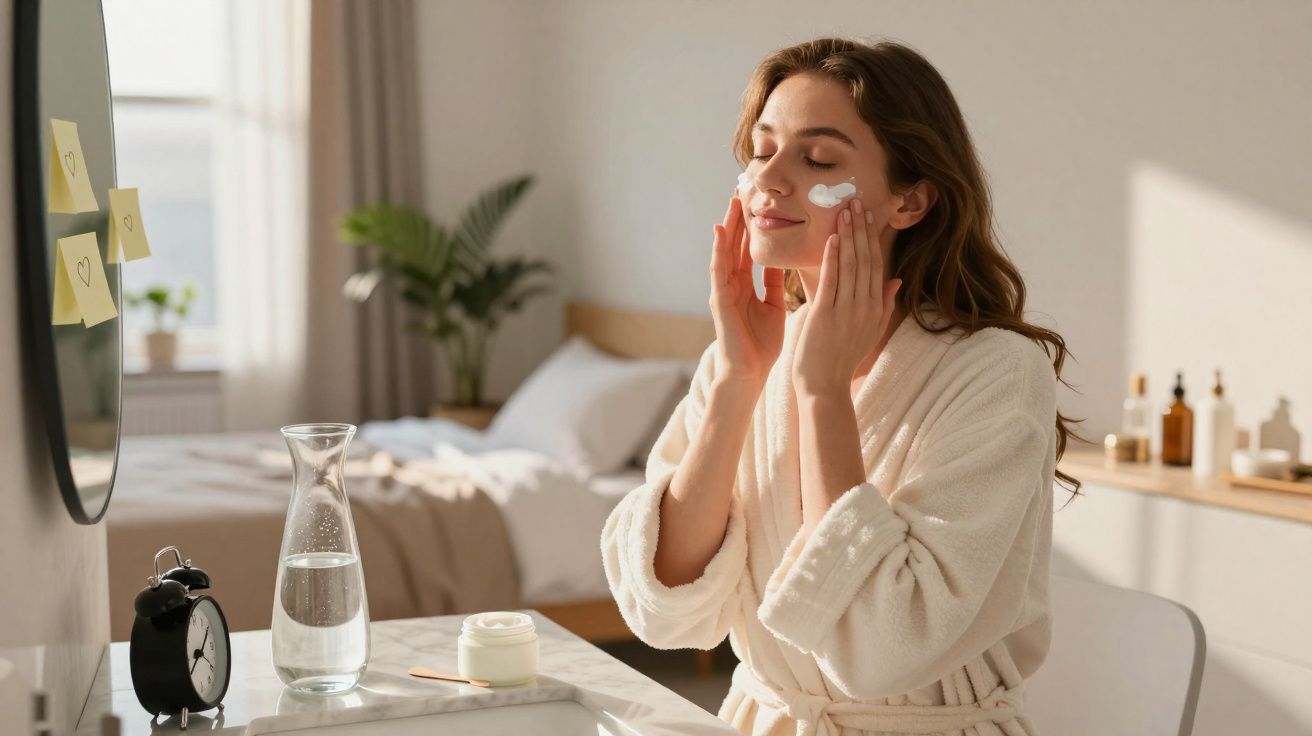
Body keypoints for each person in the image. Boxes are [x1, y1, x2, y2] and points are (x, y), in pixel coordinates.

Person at [601, 36, 1083, 736]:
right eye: (762, 149)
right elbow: (666, 606)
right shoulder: (749, 356)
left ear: (911, 201)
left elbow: (887, 645)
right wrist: (739, 376)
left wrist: (822, 391)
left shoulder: (996, 373)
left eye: (818, 158)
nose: (769, 179)